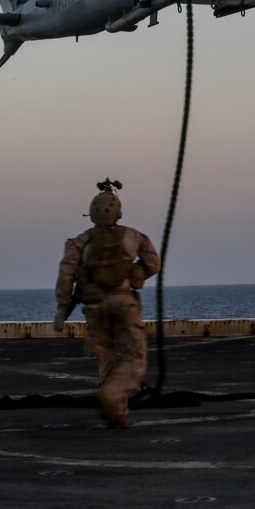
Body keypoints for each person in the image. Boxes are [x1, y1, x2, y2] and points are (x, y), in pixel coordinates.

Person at [53, 179, 160, 429]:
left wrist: (62, 307)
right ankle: (114, 397)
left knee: (106, 358)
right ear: (119, 212)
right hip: (124, 303)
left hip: (95, 306)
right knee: (133, 357)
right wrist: (138, 273)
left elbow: (66, 273)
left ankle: (117, 413)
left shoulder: (80, 242)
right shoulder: (133, 236)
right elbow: (153, 263)